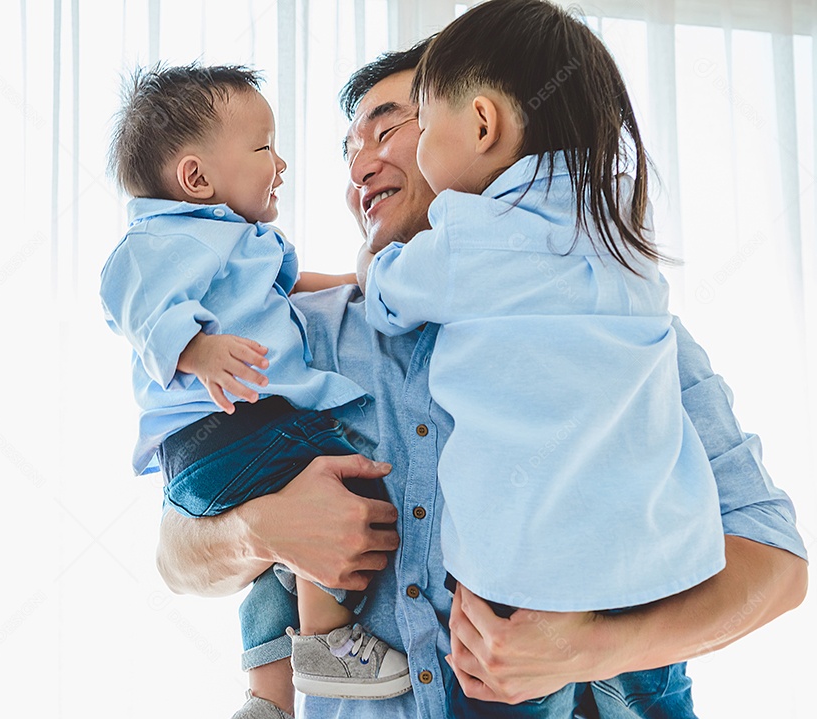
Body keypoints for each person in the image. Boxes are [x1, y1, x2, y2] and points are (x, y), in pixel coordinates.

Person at [154, 33, 809, 719]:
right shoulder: (292, 337)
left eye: (391, 129)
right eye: (349, 151)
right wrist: (264, 529)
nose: (361, 168)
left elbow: (776, 562)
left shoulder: (621, 333)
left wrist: (591, 648)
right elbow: (176, 550)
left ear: (480, 130)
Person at [361, 1, 724, 715]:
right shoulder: (626, 236)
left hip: (516, 583)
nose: (364, 161)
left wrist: (370, 269)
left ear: (484, 125)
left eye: (415, 127)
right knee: (658, 692)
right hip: (657, 562)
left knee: (497, 685)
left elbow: (388, 292)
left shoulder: (466, 242)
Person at [100, 63, 411, 719]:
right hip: (222, 435)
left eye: (387, 131)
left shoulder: (248, 245)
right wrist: (197, 349)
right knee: (341, 477)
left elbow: (294, 288)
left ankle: (267, 698)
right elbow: (133, 304)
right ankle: (328, 640)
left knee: (281, 569)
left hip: (237, 438)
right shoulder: (158, 240)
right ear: (197, 177)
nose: (284, 163)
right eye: (264, 146)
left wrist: (364, 283)